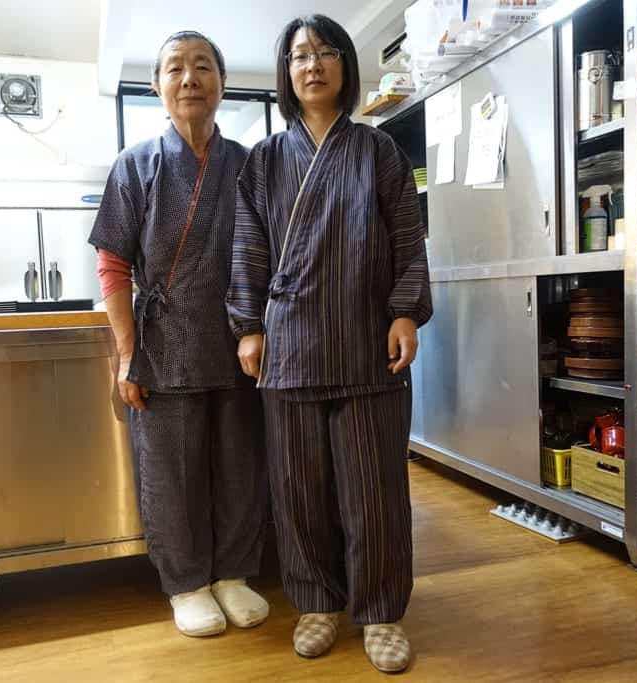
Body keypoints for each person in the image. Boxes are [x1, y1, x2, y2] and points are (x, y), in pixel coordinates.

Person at [226, 14, 432, 674]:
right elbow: (248, 247)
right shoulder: (263, 160)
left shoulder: (379, 153)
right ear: (287, 75)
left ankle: (381, 611)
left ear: (345, 64)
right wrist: (250, 325)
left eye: (325, 53)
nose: (312, 65)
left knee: (374, 490)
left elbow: (407, 239)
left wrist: (405, 313)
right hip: (289, 347)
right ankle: (316, 601)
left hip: (367, 343)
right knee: (298, 488)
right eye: (298, 56)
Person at [89, 31, 268, 638]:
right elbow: (112, 263)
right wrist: (126, 353)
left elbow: (269, 256)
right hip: (163, 347)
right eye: (175, 69)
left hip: (240, 341)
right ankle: (187, 584)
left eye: (203, 67)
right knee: (170, 471)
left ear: (221, 81)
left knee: (240, 464)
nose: (190, 78)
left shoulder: (249, 165)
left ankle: (234, 575)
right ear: (157, 87)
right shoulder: (133, 164)